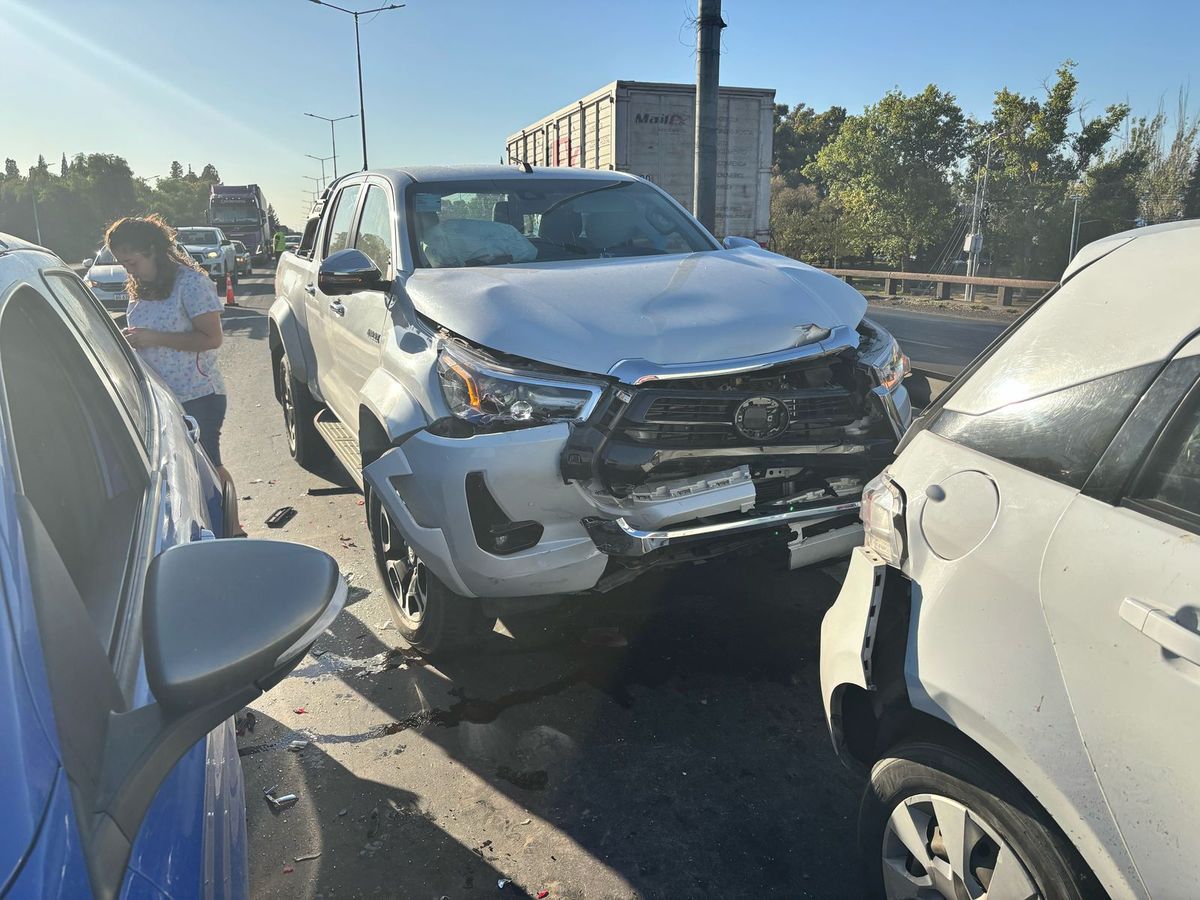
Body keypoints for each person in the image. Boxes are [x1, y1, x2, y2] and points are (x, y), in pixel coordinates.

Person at [106, 215, 245, 536]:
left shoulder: (191, 283)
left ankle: (234, 531)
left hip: (198, 395)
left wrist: (154, 338)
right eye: (122, 263)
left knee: (208, 464)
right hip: (160, 398)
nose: (128, 268)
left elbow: (212, 339)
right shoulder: (140, 286)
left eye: (131, 261)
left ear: (153, 250)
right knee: (179, 471)